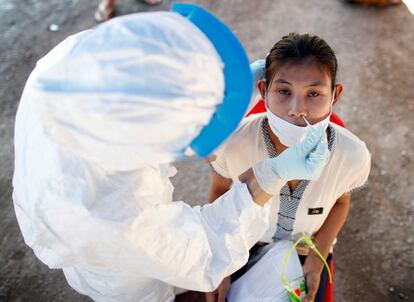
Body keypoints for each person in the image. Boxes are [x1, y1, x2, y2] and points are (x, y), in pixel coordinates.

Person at [12, 5, 331, 302]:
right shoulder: (117, 214)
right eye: (283, 90)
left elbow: (159, 82)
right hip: (121, 273)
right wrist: (271, 174)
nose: (295, 108)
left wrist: (230, 84)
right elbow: (206, 250)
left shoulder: (76, 60)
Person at [206, 32, 371, 302]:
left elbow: (341, 203)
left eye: (314, 93)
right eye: (283, 91)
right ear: (262, 91)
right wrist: (222, 262)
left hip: (310, 252)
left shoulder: (352, 155)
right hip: (241, 246)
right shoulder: (232, 144)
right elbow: (219, 194)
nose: (297, 109)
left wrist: (318, 259)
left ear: (335, 96)